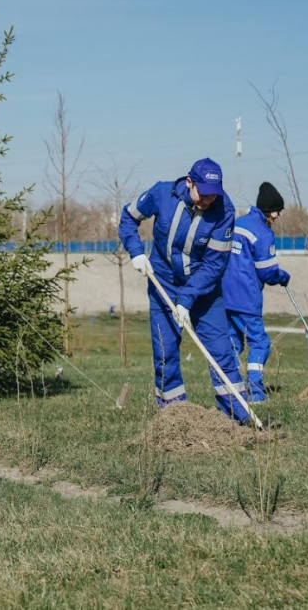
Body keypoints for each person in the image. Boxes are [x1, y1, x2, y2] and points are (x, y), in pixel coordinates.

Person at [118, 158, 251, 425]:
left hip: (204, 292)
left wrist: (188, 299)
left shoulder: (224, 211)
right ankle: (174, 420)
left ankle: (238, 418)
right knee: (165, 353)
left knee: (221, 351)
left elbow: (215, 265)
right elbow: (128, 218)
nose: (208, 200)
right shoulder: (161, 194)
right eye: (203, 193)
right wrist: (135, 252)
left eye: (213, 195)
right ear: (189, 182)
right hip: (162, 286)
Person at [222, 182, 290, 402]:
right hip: (246, 297)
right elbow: (267, 273)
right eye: (276, 211)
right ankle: (255, 391)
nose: (278, 215)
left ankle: (228, 389)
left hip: (224, 295)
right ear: (267, 210)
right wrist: (282, 276)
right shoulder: (262, 233)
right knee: (260, 343)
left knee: (233, 342)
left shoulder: (237, 224)